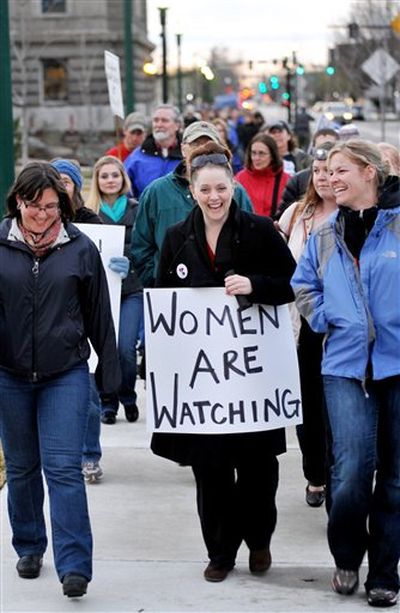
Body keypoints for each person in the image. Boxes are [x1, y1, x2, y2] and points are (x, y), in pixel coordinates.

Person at [151, 141, 296, 583]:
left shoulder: (259, 231)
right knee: (209, 473)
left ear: (232, 186)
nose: (214, 197)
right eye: (205, 190)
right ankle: (220, 551)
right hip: (203, 388)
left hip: (252, 380)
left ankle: (259, 540)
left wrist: (254, 284)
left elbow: (290, 284)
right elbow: (165, 309)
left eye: (221, 188)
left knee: (257, 470)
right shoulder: (177, 238)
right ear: (192, 190)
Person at [0, 162, 119, 598]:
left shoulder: (80, 248)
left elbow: (99, 314)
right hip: (9, 374)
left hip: (65, 373)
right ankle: (29, 545)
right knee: (21, 467)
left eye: (52, 207)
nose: (43, 215)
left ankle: (74, 565)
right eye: (34, 206)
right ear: (18, 202)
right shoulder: (0, 243)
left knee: (63, 468)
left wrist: (110, 371)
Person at [292, 140, 400, 608]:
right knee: (351, 471)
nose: (330, 179)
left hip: (397, 367)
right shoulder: (323, 234)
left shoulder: (396, 227)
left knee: (396, 478)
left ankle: (384, 572)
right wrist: (326, 317)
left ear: (369, 173)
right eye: (327, 173)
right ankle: (347, 555)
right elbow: (304, 286)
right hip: (343, 366)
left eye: (340, 171)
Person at [278, 144, 337, 507]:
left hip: (341, 326)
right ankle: (315, 475)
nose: (325, 178)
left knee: (339, 407)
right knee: (309, 405)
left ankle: (338, 475)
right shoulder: (297, 214)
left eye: (331, 171)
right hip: (302, 325)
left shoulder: (358, 214)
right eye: (317, 172)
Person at [131, 120, 253, 289]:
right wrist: (156, 280)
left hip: (227, 294)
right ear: (183, 149)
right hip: (174, 295)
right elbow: (141, 245)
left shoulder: (235, 192)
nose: (201, 149)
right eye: (195, 143)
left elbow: (251, 240)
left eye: (208, 144)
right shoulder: (156, 192)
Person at [50, 159, 104, 483]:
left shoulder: (89, 222)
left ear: (75, 187)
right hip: (48, 323)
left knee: (89, 399)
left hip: (80, 321)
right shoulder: (34, 222)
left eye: (66, 181)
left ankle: (89, 455)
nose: (60, 186)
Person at [87, 156, 143, 425]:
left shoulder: (137, 208)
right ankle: (107, 402)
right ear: (97, 181)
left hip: (131, 288)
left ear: (123, 178)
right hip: (100, 292)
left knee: (126, 349)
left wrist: (130, 261)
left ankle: (128, 396)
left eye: (115, 175)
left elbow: (144, 246)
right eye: (104, 176)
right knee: (102, 348)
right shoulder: (90, 213)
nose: (110, 180)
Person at [276, 128, 339, 218]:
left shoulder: (353, 210)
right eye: (316, 171)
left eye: (328, 170)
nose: (321, 177)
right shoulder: (298, 182)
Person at [124, 104, 182, 197]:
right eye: (156, 120)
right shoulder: (137, 157)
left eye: (164, 120)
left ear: (177, 125)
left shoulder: (187, 155)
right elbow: (124, 191)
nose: (159, 125)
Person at [235, 133, 290, 218]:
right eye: (253, 153)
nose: (256, 158)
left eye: (262, 153)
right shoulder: (239, 179)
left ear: (272, 156)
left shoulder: (286, 180)